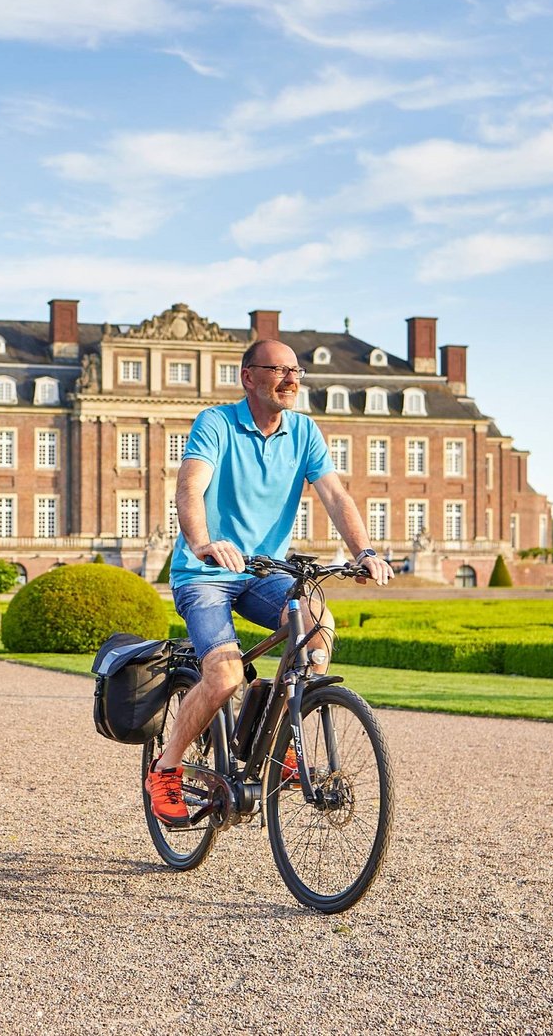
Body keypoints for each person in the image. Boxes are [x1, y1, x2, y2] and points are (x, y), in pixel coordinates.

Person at [145, 338, 393, 823]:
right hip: (206, 574)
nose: (292, 379)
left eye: (296, 370)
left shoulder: (304, 432)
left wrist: (363, 552)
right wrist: (202, 542)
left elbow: (336, 497)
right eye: (279, 371)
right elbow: (190, 487)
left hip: (264, 572)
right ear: (249, 377)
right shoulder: (216, 424)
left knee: (318, 629)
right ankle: (167, 767)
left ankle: (282, 741)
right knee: (225, 675)